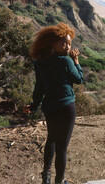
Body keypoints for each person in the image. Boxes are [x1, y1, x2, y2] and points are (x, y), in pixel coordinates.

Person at [29, 22, 83, 184]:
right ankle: (59, 181)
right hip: (66, 107)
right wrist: (76, 61)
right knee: (62, 147)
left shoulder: (40, 62)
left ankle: (46, 177)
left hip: (50, 107)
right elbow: (79, 79)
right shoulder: (66, 61)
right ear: (53, 44)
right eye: (63, 43)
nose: (67, 47)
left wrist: (34, 105)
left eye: (69, 44)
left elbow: (39, 87)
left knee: (51, 139)